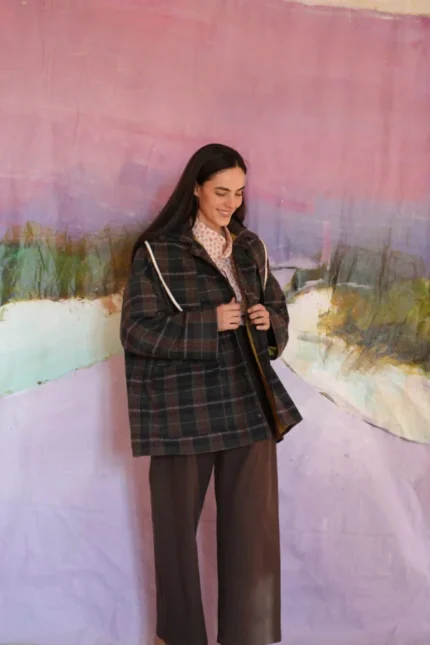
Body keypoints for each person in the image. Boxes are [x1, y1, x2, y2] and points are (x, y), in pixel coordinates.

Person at [120, 143, 302, 645]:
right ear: (196, 188)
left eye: (238, 193)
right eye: (221, 191)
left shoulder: (250, 247)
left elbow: (278, 314)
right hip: (184, 411)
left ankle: (250, 637)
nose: (230, 202)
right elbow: (135, 331)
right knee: (175, 535)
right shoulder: (157, 252)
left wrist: (268, 322)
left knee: (254, 537)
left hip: (249, 405)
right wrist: (209, 322)